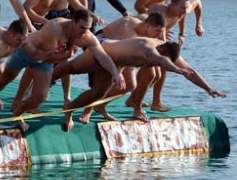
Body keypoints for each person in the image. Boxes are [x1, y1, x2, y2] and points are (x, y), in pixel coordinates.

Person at [52, 37, 225, 128]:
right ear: (162, 52)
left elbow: (191, 71)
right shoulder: (149, 50)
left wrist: (208, 88)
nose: (163, 64)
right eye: (165, 61)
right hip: (104, 52)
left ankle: (70, 109)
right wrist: (176, 70)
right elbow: (161, 61)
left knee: (99, 92)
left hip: (119, 62)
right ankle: (48, 76)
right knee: (70, 68)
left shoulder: (168, 50)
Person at [0, 10, 124, 127]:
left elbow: (102, 56)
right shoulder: (55, 28)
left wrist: (115, 74)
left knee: (40, 97)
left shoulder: (87, 36)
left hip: (44, 60)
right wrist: (65, 56)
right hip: (27, 52)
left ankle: (17, 114)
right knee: (5, 79)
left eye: (87, 28)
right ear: (73, 21)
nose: (84, 32)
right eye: (81, 27)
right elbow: (43, 57)